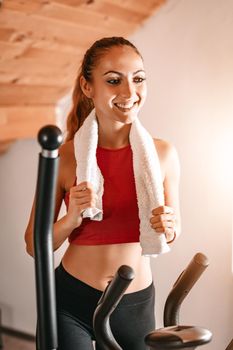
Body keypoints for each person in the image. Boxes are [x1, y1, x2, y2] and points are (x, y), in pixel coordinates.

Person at [25, 36, 181, 350]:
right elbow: (33, 245)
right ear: (87, 87)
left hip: (134, 303)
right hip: (72, 299)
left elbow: (174, 231)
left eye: (138, 79)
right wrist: (71, 219)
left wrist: (169, 226)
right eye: (113, 81)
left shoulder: (164, 154)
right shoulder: (65, 156)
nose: (129, 93)